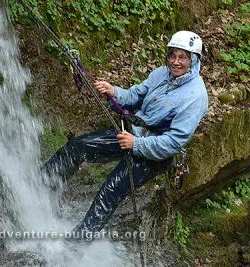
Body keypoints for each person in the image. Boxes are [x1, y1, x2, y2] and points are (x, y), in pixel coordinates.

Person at [42, 30, 209, 235]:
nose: (175, 62)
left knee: (110, 191)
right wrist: (114, 91)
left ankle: (75, 246)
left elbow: (173, 142)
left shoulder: (195, 96)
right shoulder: (161, 74)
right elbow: (136, 95)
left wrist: (136, 145)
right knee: (78, 147)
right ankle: (41, 186)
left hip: (154, 152)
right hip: (131, 133)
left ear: (194, 60)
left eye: (183, 57)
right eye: (172, 55)